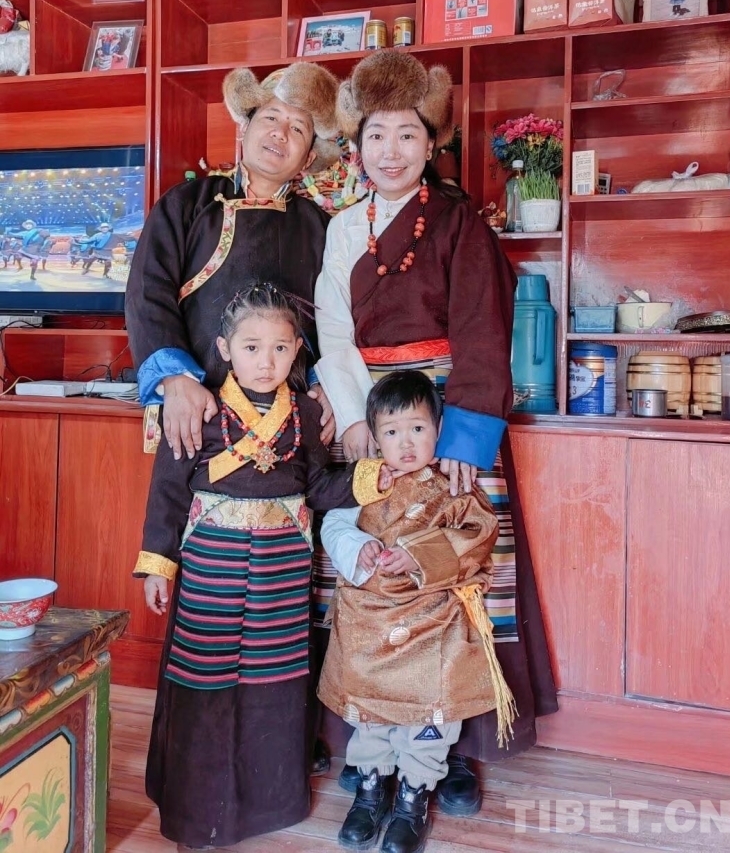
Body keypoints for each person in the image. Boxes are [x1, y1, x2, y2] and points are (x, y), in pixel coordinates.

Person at [313, 50, 558, 815]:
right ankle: (372, 730)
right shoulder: (343, 228)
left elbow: (484, 330)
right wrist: (356, 420)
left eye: (407, 135)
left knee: (459, 574)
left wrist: (463, 442)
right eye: (376, 135)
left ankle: (455, 749)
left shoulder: (459, 223)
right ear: (356, 145)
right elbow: (333, 333)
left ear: (431, 143)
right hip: (374, 418)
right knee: (374, 571)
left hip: (448, 418)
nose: (390, 151)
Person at [134, 283, 393, 850]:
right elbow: (168, 492)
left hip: (282, 570)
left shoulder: (304, 412)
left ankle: (272, 801)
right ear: (225, 348)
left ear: (297, 349)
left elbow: (318, 486)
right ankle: (197, 810)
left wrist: (372, 478)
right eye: (251, 348)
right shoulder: (199, 408)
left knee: (274, 681)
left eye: (280, 348)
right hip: (211, 567)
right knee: (205, 679)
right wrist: (158, 565)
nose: (266, 361)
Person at [319, 371, 515, 853]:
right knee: (370, 710)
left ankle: (413, 795)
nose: (405, 443)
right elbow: (335, 525)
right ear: (374, 437)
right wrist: (358, 547)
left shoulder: (455, 487)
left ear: (439, 429)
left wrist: (419, 556)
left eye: (417, 428)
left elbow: (478, 535)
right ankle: (371, 788)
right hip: (371, 621)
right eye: (391, 431)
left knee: (430, 712)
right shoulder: (365, 483)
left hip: (433, 623)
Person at [125, 60, 342, 462]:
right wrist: (175, 379)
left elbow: (335, 321)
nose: (280, 133)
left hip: (289, 423)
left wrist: (330, 385)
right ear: (245, 128)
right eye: (271, 117)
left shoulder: (321, 227)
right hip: (197, 411)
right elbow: (147, 292)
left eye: (297, 128)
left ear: (308, 158)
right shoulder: (187, 204)